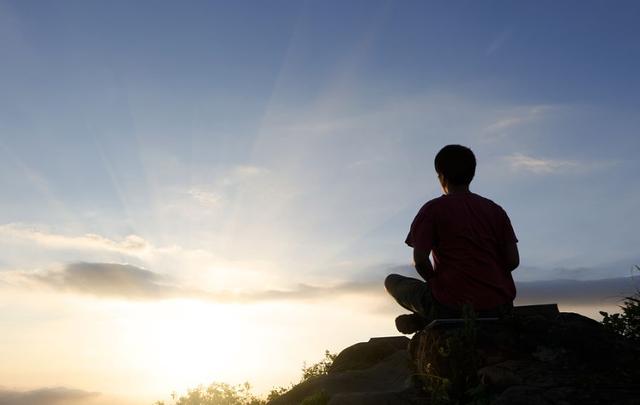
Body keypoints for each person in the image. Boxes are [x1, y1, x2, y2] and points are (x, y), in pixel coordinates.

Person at [385, 144, 520, 334]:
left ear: (441, 175)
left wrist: (434, 284)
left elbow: (421, 260)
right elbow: (513, 261)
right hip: (499, 305)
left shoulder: (432, 209)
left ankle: (427, 315)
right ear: (471, 174)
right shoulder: (496, 210)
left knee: (392, 281)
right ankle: (427, 316)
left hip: (450, 305)